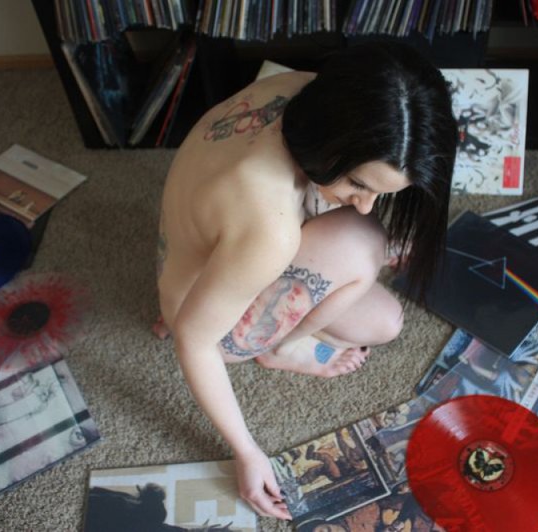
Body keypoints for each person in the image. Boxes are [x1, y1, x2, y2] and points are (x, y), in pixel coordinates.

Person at [155, 41, 457, 521]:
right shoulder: (268, 227)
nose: (365, 204)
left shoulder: (303, 89)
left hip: (186, 264)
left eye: (379, 193)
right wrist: (247, 452)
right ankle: (281, 349)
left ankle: (299, 298)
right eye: (358, 184)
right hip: (212, 320)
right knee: (380, 302)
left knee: (365, 238)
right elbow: (194, 339)